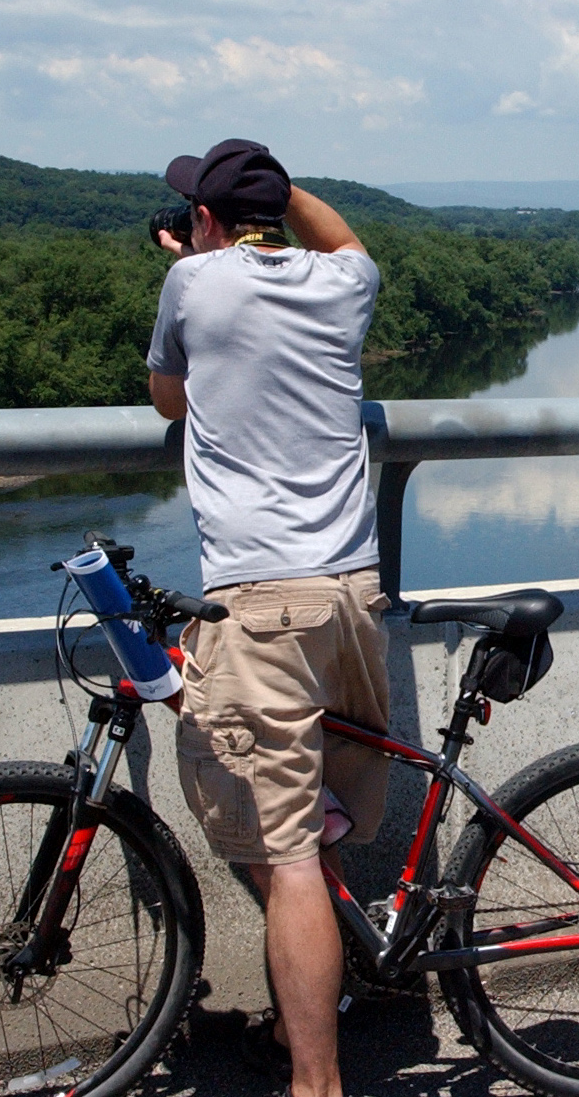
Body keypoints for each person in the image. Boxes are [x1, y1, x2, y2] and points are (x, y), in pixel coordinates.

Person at [148, 138, 389, 1097]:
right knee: (311, 827)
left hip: (258, 601)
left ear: (203, 222)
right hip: (352, 590)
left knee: (284, 856)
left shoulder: (195, 286)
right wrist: (271, 194)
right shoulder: (344, 286)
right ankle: (309, 1023)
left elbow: (169, 397)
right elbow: (350, 240)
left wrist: (195, 265)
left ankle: (315, 1084)